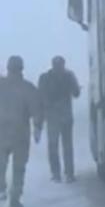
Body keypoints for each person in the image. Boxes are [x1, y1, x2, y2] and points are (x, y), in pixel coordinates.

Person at [0, 56, 42, 207]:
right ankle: (15, 199)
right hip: (20, 134)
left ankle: (1, 188)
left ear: (8, 68)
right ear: (21, 68)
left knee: (0, 164)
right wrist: (37, 128)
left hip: (1, 132)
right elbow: (36, 110)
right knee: (19, 167)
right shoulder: (28, 88)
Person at [38, 56, 81, 184]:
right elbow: (76, 93)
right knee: (63, 146)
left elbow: (75, 93)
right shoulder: (67, 76)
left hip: (56, 116)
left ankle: (59, 174)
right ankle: (66, 174)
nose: (59, 68)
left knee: (56, 146)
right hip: (60, 115)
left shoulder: (46, 78)